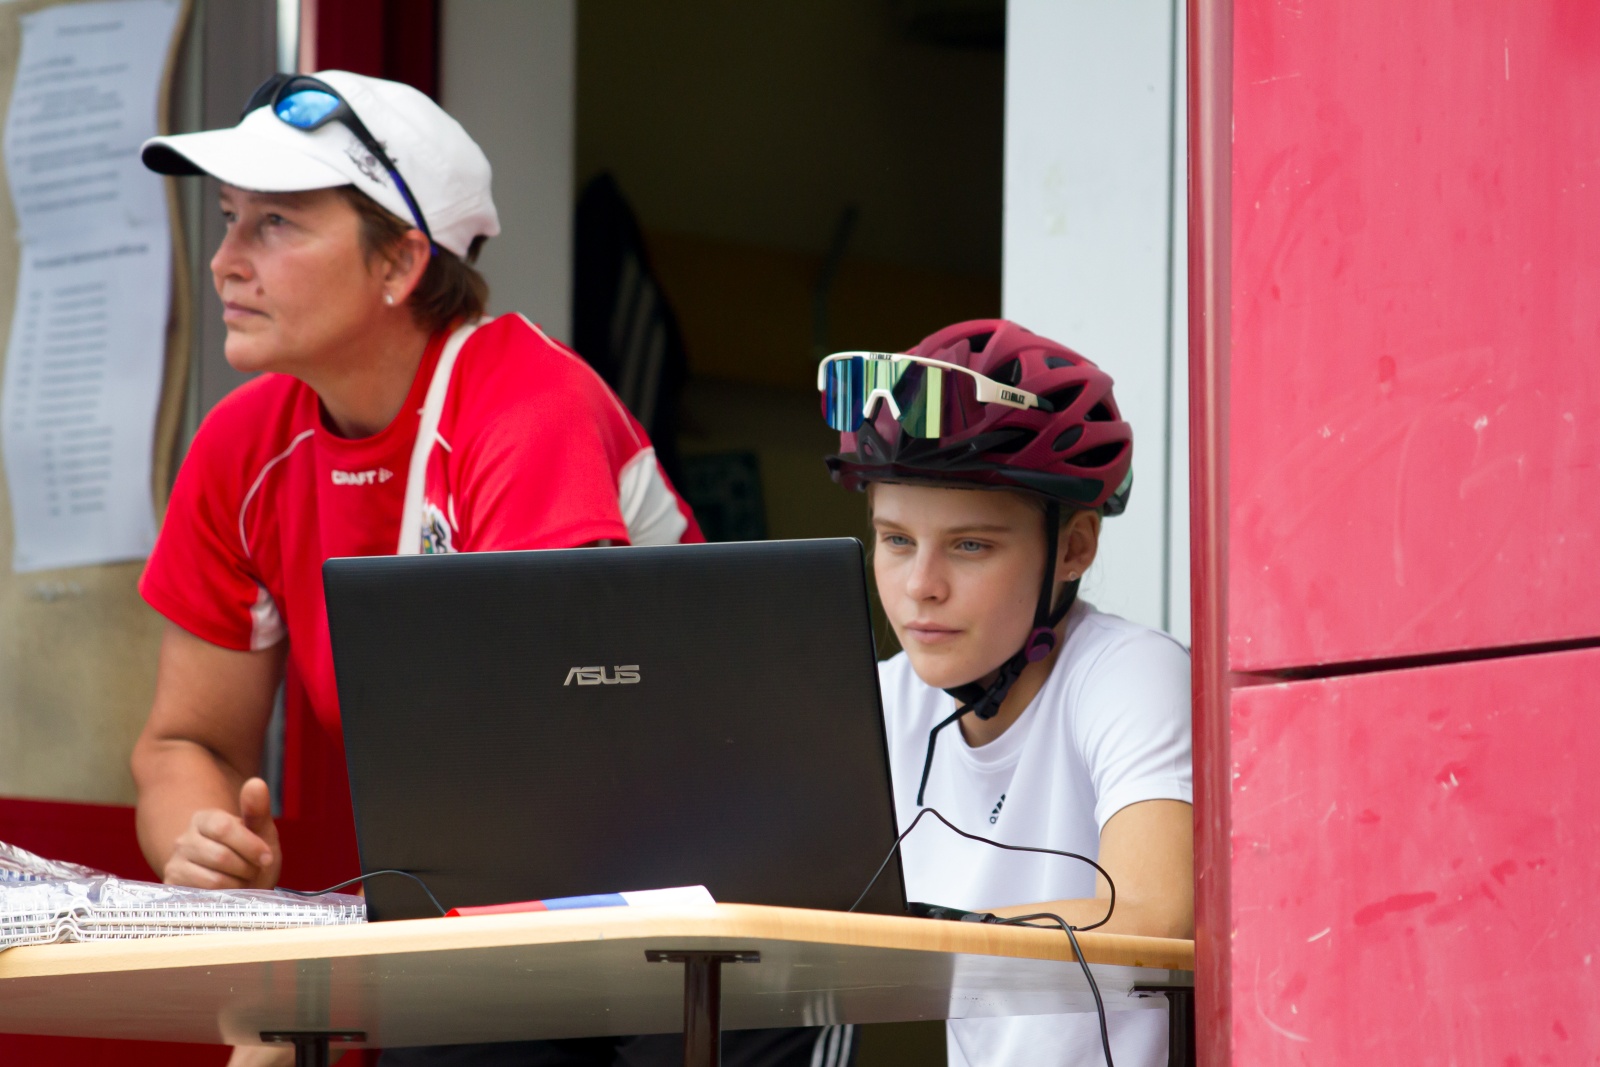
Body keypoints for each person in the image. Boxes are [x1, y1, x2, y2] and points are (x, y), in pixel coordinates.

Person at [131, 71, 843, 1067]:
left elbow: (540, 759)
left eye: (276, 224)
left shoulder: (524, 402)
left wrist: (311, 988)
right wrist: (204, 846)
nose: (223, 261)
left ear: (400, 261)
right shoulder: (240, 445)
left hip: (725, 912)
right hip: (501, 913)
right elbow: (186, 740)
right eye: (227, 218)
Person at [818, 320, 1193, 1066]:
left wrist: (921, 937)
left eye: (970, 545)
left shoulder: (1130, 674)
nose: (921, 585)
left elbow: (1154, 914)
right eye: (896, 540)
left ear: (1074, 547)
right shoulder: (878, 703)